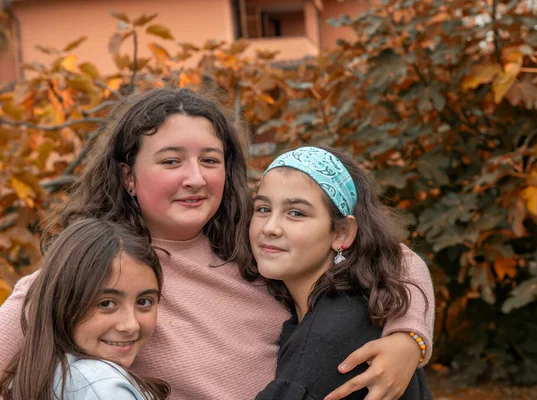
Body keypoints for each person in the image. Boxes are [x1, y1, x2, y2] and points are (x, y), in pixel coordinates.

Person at [0, 88, 434, 399]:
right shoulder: (98, 269)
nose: (196, 178)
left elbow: (393, 255)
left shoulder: (256, 236)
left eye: (210, 160)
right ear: (128, 176)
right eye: (171, 161)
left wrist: (408, 340)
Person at [251, 147, 432, 400]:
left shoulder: (327, 342)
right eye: (262, 209)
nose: (270, 227)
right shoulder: (363, 303)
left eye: (296, 213)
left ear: (341, 233)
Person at [0, 218, 169, 399]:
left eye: (143, 302)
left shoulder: (35, 378)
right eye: (106, 303)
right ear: (62, 304)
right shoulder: (103, 388)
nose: (131, 325)